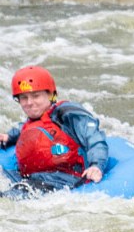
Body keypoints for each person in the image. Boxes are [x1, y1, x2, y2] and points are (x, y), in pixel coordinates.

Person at [0, 65, 108, 197]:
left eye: (36, 96)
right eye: (24, 98)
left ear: (50, 95)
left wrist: (96, 165)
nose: (29, 102)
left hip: (64, 179)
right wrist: (8, 137)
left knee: (16, 194)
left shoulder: (68, 114)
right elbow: (23, 129)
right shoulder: (30, 122)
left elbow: (95, 140)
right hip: (32, 178)